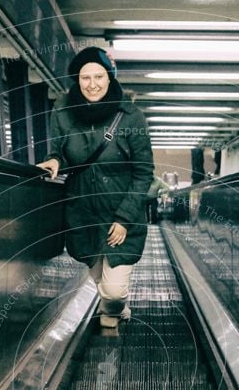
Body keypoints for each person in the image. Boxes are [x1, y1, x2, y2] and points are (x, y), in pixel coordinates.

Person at [37, 47, 154, 328]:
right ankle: (113, 309)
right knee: (97, 275)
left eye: (99, 76)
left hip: (120, 213)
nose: (92, 84)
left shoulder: (130, 116)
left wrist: (125, 218)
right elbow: (59, 151)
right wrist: (54, 160)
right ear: (77, 80)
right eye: (84, 77)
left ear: (110, 77)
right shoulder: (63, 111)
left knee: (113, 291)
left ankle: (113, 312)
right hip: (82, 211)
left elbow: (144, 172)